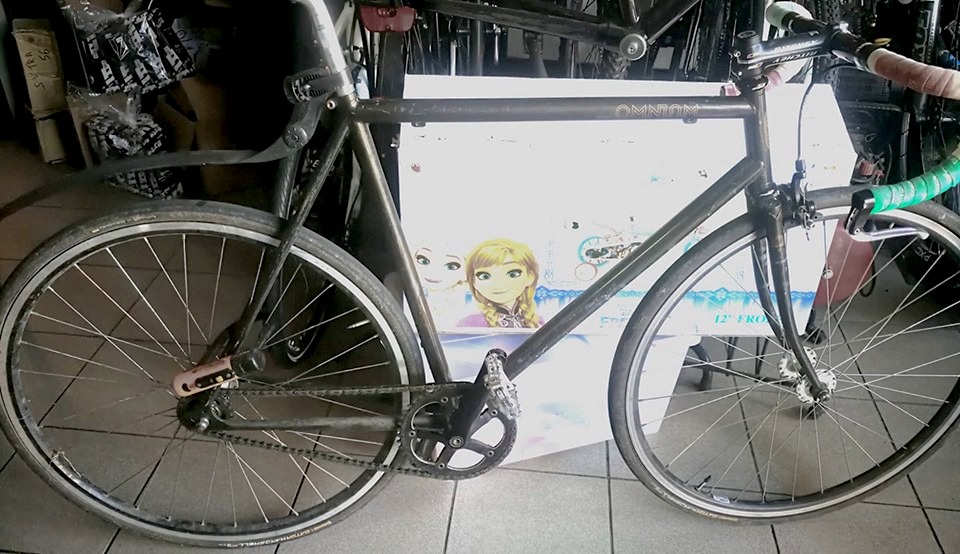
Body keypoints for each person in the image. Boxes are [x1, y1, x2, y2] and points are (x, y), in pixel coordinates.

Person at [457, 237, 544, 329]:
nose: (497, 284)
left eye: (512, 274)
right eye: (485, 276)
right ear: (473, 281)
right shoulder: (470, 323)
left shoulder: (537, 321)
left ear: (530, 277)